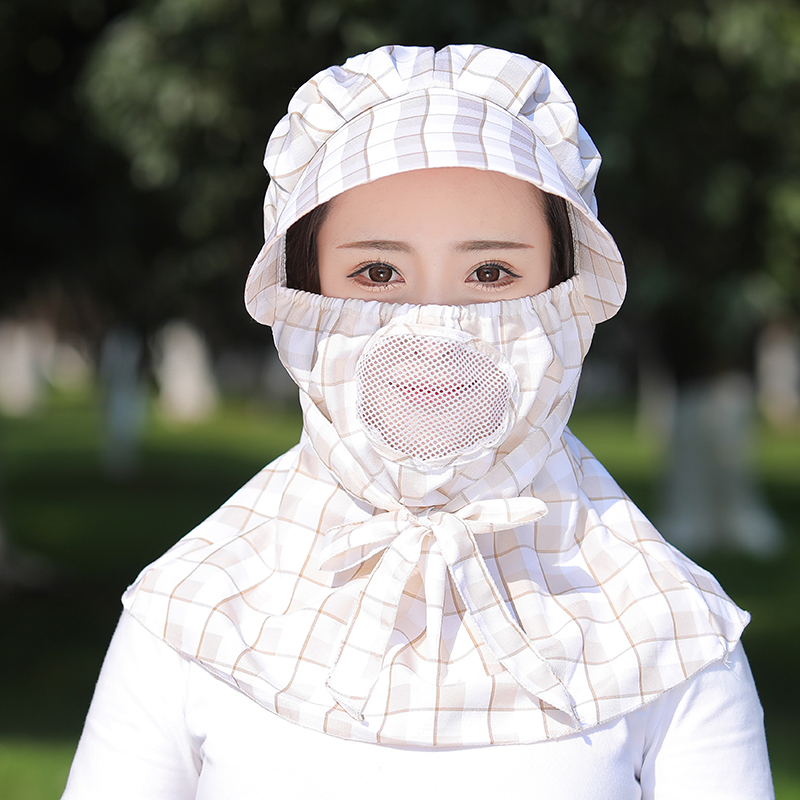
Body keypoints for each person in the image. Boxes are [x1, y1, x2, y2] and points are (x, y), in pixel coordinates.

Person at [61, 45, 774, 799]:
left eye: (491, 274)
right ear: (301, 297)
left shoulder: (672, 631)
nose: (434, 326)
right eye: (377, 274)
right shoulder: (193, 611)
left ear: (568, 298)